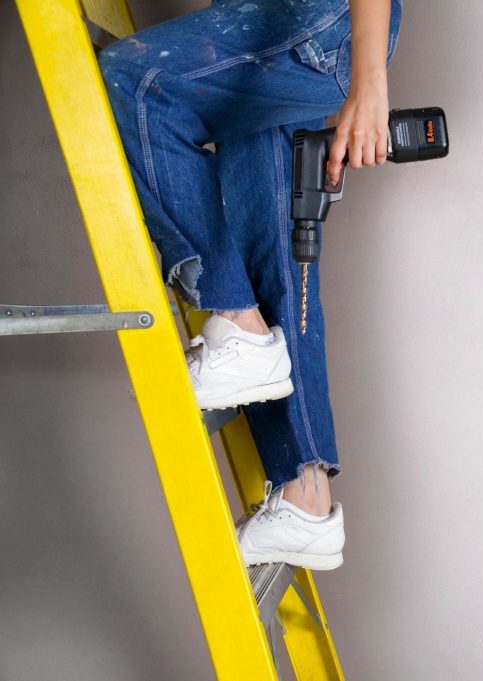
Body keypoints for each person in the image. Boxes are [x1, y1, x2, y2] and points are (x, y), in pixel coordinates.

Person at [98, 0, 402, 570]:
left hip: (307, 22)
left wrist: (369, 84)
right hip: (275, 26)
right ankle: (304, 499)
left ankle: (237, 324)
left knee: (137, 81)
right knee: (272, 251)